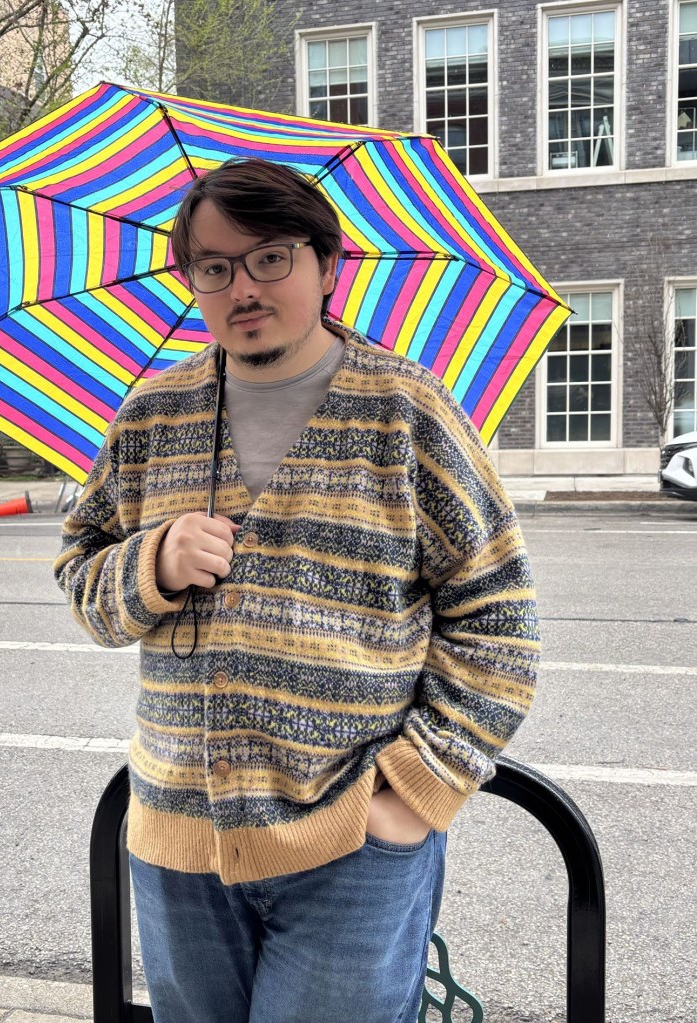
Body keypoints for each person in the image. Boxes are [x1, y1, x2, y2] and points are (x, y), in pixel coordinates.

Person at [55, 158, 540, 1023]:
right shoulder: (152, 414)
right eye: (213, 266)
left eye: (270, 257)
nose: (241, 286)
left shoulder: (409, 412)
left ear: (326, 263)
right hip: (176, 846)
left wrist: (411, 793)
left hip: (350, 848)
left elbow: (497, 621)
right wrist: (152, 563)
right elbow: (83, 576)